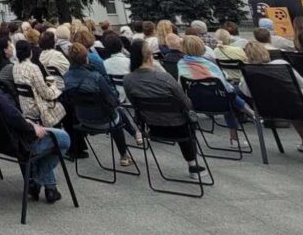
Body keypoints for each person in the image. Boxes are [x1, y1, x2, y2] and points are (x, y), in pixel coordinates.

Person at [0, 55, 72, 203]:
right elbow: (9, 112)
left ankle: (49, 187)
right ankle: (38, 180)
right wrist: (31, 127)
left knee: (49, 139)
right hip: (17, 141)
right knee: (63, 138)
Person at [123, 45, 206, 174]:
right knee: (187, 120)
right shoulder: (164, 77)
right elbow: (185, 102)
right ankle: (193, 165)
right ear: (150, 57)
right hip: (178, 127)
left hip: (152, 126)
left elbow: (134, 104)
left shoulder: (128, 79)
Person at [62, 43, 136, 169]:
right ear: (86, 58)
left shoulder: (66, 77)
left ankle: (132, 140)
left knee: (114, 113)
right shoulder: (95, 77)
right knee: (116, 116)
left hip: (81, 119)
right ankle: (124, 155)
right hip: (103, 120)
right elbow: (113, 101)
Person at [237, 40, 303, 154]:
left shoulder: (248, 72)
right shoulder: (281, 64)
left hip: (267, 110)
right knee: (291, 100)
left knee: (284, 101)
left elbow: (247, 93)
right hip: (297, 107)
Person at [13, 40, 66, 129]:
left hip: (25, 107)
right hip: (37, 107)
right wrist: (54, 88)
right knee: (63, 105)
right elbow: (45, 93)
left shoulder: (15, 67)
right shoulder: (33, 68)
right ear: (30, 52)